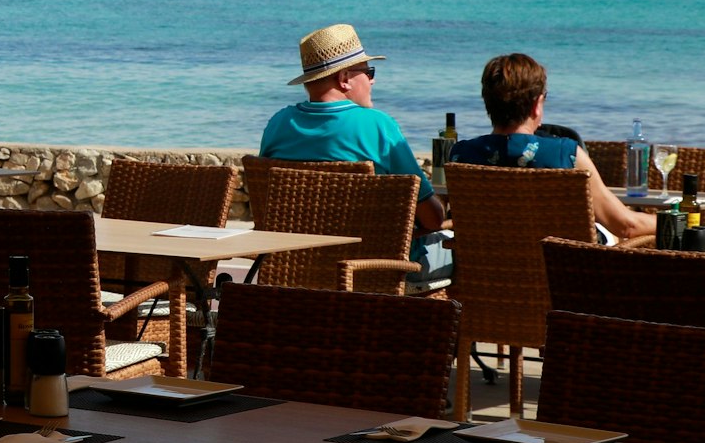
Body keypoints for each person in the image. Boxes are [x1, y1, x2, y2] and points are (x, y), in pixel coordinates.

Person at [259, 23, 451, 281]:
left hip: (293, 266)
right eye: (369, 71)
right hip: (372, 270)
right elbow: (433, 219)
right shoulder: (377, 126)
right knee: (461, 250)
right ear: (344, 78)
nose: (373, 79)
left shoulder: (279, 124)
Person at [448, 53, 656, 243]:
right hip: (559, 275)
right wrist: (673, 220)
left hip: (486, 273)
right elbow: (626, 225)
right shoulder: (566, 154)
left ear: (487, 103)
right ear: (537, 104)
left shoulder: (461, 155)